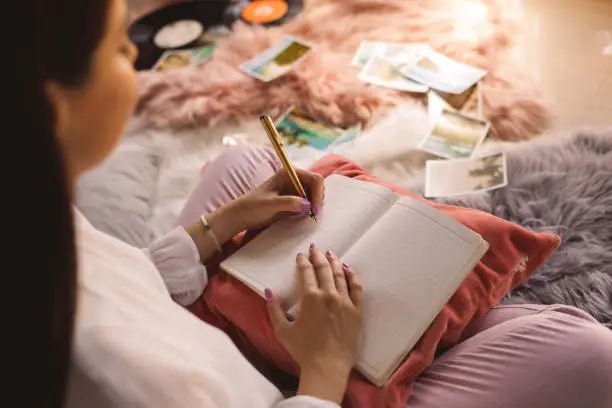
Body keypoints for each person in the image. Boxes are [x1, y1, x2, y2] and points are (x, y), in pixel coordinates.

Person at [16, 0, 612, 407]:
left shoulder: (38, 221)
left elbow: (127, 284)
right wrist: (324, 367)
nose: (137, 70)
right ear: (51, 105)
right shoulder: (104, 375)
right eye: (120, 51)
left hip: (214, 323)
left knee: (246, 168)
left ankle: (419, 329)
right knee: (585, 354)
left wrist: (215, 229)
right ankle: (412, 339)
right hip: (295, 389)